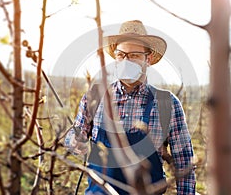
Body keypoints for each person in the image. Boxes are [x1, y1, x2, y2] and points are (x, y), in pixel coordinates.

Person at [65, 20, 196, 194]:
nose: (126, 60)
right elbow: (74, 137)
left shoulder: (167, 104)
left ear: (147, 59)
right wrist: (74, 141)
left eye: (134, 55)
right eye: (121, 55)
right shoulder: (95, 97)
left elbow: (184, 161)